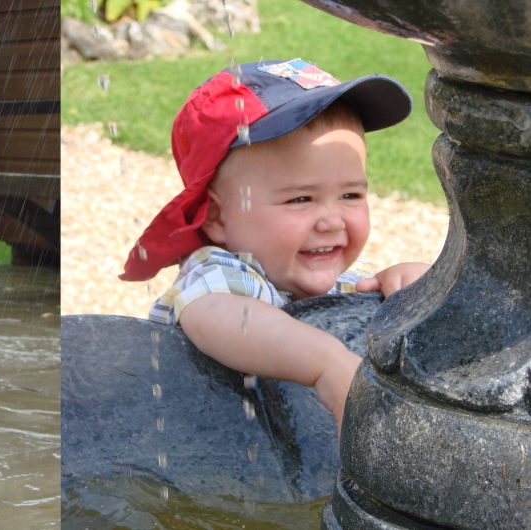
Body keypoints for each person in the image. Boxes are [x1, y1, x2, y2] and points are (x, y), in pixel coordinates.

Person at [120, 59, 430, 436]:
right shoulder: (218, 272)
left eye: (350, 194)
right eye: (300, 199)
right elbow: (225, 316)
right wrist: (324, 364)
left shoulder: (340, 280)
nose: (331, 221)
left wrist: (418, 288)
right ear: (217, 217)